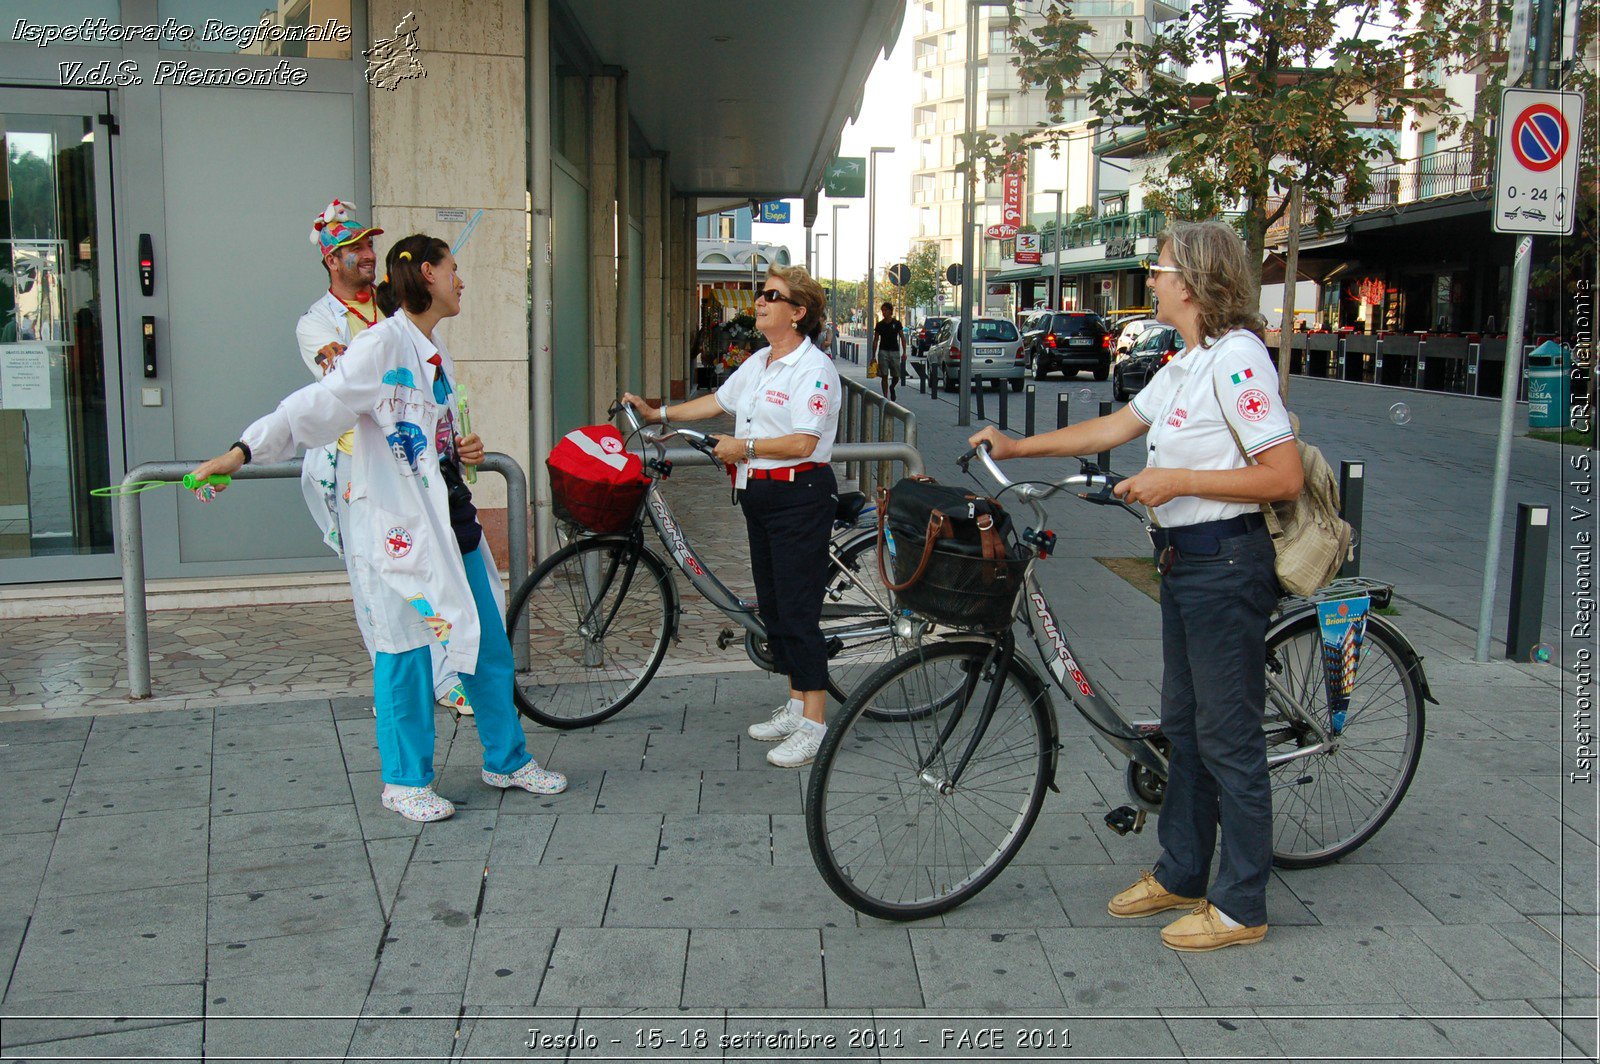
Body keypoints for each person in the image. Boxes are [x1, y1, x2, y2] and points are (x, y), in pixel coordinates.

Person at [968, 219, 1302, 952]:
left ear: (1195, 281)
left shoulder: (1239, 360)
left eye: (1159, 269)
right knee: (1185, 728)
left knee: (1227, 737)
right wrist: (1021, 445)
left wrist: (1177, 479)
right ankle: (1183, 871)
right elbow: (1117, 425)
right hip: (1183, 562)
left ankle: (1242, 904)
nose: (1150, 279)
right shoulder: (1187, 362)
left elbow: (1283, 476)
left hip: (1225, 563)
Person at [186, 234, 567, 822]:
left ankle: (506, 758)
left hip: (448, 517)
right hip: (395, 530)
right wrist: (241, 452)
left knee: (486, 640)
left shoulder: (434, 349)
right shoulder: (379, 346)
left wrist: (459, 445)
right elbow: (312, 407)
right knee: (404, 650)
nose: (461, 282)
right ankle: (404, 780)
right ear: (427, 277)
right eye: (454, 270)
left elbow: (433, 431)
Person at [622, 264, 841, 768]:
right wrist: (660, 415)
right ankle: (794, 703)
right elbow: (716, 402)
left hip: (800, 496)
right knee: (775, 605)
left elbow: (804, 442)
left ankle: (815, 724)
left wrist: (744, 446)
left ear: (798, 312)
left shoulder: (814, 369)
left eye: (771, 296)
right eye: (761, 295)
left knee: (798, 610)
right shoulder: (762, 361)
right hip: (760, 496)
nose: (759, 302)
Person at [295, 200, 474, 717]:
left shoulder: (394, 307)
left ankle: (446, 679)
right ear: (332, 259)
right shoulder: (316, 323)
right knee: (375, 578)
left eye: (372, 245)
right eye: (356, 248)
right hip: (359, 468)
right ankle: (394, 689)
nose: (369, 255)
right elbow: (343, 383)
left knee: (433, 567)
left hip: (417, 465)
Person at [870, 301, 905, 401]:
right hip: (883, 351)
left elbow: (902, 337)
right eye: (882, 310)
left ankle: (892, 387)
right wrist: (873, 356)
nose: (883, 312)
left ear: (890, 311)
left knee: (896, 375)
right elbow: (876, 340)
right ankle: (885, 397)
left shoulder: (897, 323)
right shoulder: (879, 325)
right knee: (884, 375)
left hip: (894, 351)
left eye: (885, 310)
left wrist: (904, 352)